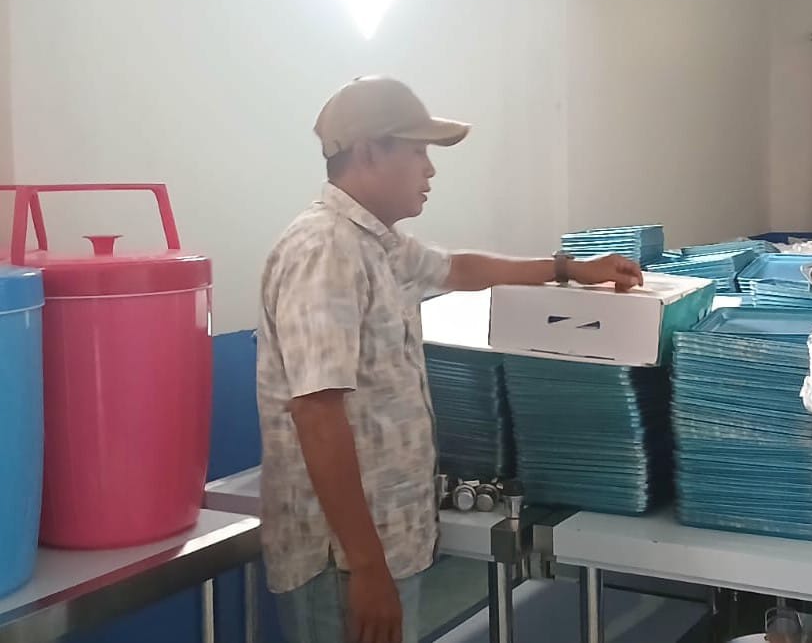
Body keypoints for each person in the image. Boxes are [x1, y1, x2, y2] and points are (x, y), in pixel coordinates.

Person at [256, 76, 642, 643]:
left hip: (381, 545)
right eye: (417, 152)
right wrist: (367, 568)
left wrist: (569, 269)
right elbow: (317, 413)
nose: (430, 170)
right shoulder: (325, 252)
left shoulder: (377, 244)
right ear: (368, 151)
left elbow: (459, 268)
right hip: (340, 561)